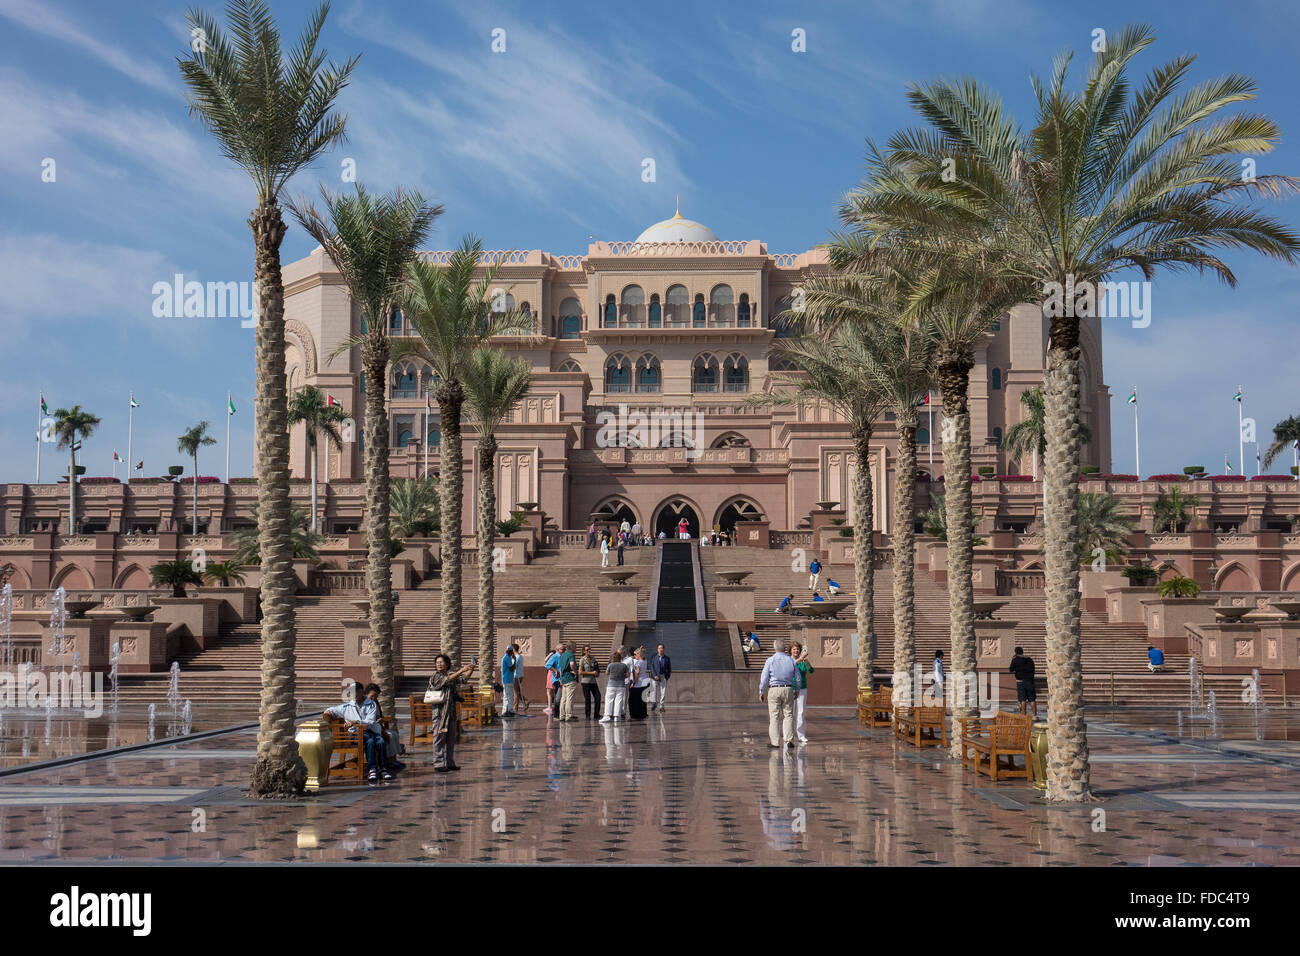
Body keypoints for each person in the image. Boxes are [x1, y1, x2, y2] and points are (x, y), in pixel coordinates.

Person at [324, 682, 390, 782]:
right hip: (355, 734)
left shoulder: (371, 704)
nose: (353, 695)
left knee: (380, 741)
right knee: (371, 741)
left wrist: (356, 721)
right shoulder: (347, 706)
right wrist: (328, 712)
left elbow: (370, 721)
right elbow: (331, 710)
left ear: (361, 692)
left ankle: (383, 769)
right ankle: (372, 769)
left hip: (370, 730)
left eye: (355, 693)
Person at [426, 654, 475, 772]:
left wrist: (471, 668)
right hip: (440, 714)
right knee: (439, 739)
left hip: (451, 713)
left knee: (450, 739)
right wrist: (461, 670)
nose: (439, 664)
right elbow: (445, 681)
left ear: (447, 664)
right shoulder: (435, 676)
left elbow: (463, 679)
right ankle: (438, 764)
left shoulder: (450, 675)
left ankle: (449, 762)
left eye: (441, 662)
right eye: (437, 662)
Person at [758, 638, 797, 748]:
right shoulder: (791, 660)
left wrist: (761, 691)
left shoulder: (770, 660)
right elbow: (797, 677)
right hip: (788, 688)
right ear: (785, 648)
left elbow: (764, 677)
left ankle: (775, 742)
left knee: (774, 716)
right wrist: (797, 689)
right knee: (788, 715)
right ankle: (789, 740)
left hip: (774, 689)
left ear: (774, 648)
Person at [792, 643, 814, 744]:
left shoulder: (803, 661)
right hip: (791, 689)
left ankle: (801, 735)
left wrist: (806, 663)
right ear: (790, 651)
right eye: (794, 649)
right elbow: (791, 666)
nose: (796, 651)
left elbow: (811, 671)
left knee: (800, 712)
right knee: (790, 713)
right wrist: (800, 658)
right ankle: (789, 735)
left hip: (802, 689)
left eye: (797, 649)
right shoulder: (789, 660)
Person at [600, 649, 629, 723]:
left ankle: (607, 716)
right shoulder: (624, 665)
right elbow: (628, 675)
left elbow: (607, 673)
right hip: (621, 685)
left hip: (611, 685)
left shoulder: (611, 665)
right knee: (618, 701)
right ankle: (617, 716)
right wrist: (622, 677)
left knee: (609, 700)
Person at [1009, 646, 1037, 717]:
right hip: (1030, 681)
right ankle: (1035, 716)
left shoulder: (1015, 660)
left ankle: (1023, 715)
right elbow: (1033, 670)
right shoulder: (1030, 659)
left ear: (1015, 652)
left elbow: (1010, 670)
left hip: (1020, 682)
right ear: (1022, 652)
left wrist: (1012, 660)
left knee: (1022, 699)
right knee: (1032, 699)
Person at [555, 640, 578, 721]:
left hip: (564, 678)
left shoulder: (562, 655)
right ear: (571, 647)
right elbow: (572, 664)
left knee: (563, 698)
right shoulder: (571, 654)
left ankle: (562, 715)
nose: (576, 649)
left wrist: (561, 678)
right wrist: (575, 671)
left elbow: (560, 668)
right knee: (569, 698)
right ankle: (569, 715)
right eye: (575, 647)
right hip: (570, 678)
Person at [628, 647, 651, 720]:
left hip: (638, 683)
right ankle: (643, 715)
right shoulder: (645, 661)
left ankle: (634, 716)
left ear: (639, 654)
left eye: (635, 655)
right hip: (645, 682)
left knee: (633, 700)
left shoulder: (638, 662)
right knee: (642, 700)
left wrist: (633, 683)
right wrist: (640, 649)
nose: (634, 656)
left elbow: (637, 673)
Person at [579, 645, 602, 718]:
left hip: (593, 681)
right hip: (585, 682)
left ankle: (596, 714)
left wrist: (597, 673)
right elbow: (580, 672)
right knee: (587, 699)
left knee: (598, 697)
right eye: (587, 650)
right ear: (584, 651)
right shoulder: (582, 660)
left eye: (589, 649)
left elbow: (596, 669)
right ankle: (588, 715)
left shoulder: (593, 658)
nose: (589, 651)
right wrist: (591, 673)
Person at [649, 643, 671, 711]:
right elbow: (651, 667)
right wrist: (654, 675)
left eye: (661, 648)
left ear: (663, 649)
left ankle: (662, 706)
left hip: (663, 676)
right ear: (657, 649)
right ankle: (654, 704)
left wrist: (666, 676)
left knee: (663, 692)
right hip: (654, 677)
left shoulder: (667, 658)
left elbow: (669, 668)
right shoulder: (654, 657)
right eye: (659, 648)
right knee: (654, 691)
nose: (660, 649)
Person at [500, 644, 519, 716]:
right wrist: (514, 660)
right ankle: (507, 711)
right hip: (507, 680)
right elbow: (512, 668)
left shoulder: (507, 657)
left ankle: (509, 710)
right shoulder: (507, 658)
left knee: (509, 695)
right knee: (508, 696)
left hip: (508, 680)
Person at [511, 643, 529, 711]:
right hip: (520, 675)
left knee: (515, 692)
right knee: (518, 691)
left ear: (513, 649)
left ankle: (515, 708)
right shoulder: (520, 656)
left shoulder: (516, 657)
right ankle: (525, 701)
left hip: (516, 676)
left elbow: (513, 666)